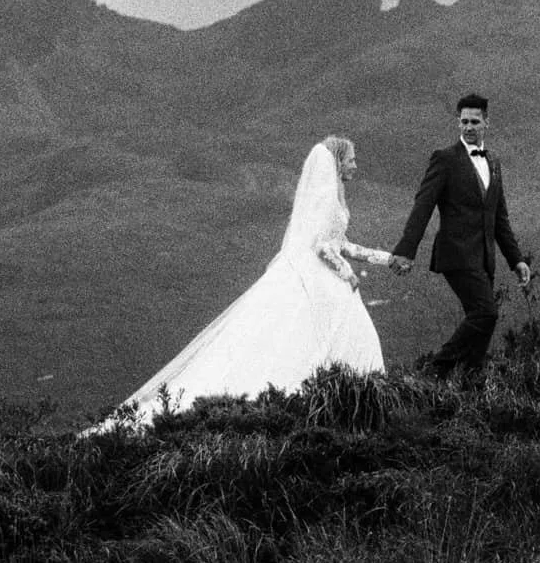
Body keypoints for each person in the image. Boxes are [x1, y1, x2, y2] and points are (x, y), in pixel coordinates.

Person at [87, 136, 396, 430]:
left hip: (328, 281)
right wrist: (347, 274)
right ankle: (354, 404)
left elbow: (341, 244)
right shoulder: (328, 201)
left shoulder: (334, 198)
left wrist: (386, 259)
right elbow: (321, 247)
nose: (356, 166)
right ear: (338, 163)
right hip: (323, 282)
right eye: (352, 160)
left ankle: (353, 402)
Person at [390, 93, 532, 379]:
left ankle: (468, 385)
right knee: (486, 313)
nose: (468, 127)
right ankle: (435, 369)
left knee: (482, 327)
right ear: (458, 123)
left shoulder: (493, 161)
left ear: (486, 123)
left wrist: (516, 260)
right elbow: (423, 206)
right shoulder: (444, 159)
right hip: (455, 254)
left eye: (474, 122)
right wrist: (406, 249)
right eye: (464, 121)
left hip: (484, 258)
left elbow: (499, 217)